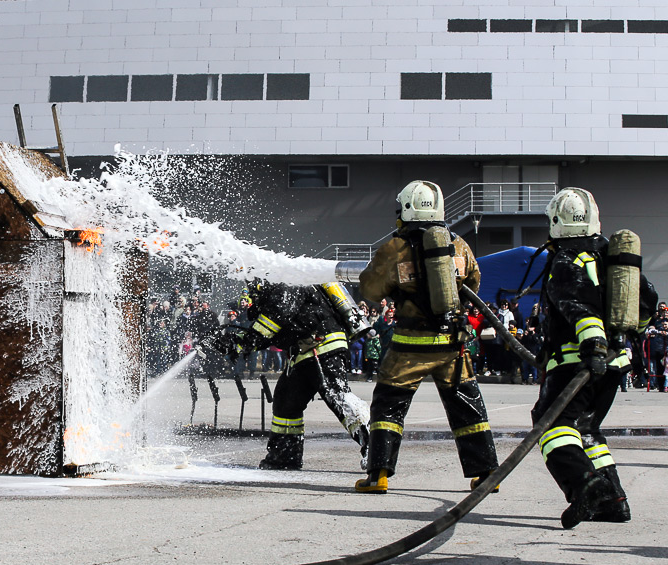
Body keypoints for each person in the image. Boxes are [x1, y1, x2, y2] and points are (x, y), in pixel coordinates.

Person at [355, 179, 499, 494]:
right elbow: (474, 281)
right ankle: (487, 473)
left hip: (409, 345)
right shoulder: (459, 244)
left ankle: (378, 475)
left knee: (388, 405)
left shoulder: (395, 248)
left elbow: (370, 289)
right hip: (452, 344)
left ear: (406, 210)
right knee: (467, 405)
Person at [531, 187, 658, 528]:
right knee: (587, 429)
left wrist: (593, 346)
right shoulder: (611, 257)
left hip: (577, 362)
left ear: (556, 221)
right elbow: (647, 300)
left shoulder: (567, 259)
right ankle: (613, 501)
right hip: (614, 364)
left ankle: (585, 486)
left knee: (551, 426)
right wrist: (626, 335)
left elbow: (577, 305)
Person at [214, 279, 369, 470]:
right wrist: (234, 342)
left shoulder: (287, 282)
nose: (252, 290)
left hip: (322, 346)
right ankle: (285, 456)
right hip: (303, 353)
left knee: (337, 396)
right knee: (286, 402)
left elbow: (273, 321)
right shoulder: (275, 292)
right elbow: (271, 331)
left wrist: (244, 343)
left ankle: (375, 445)